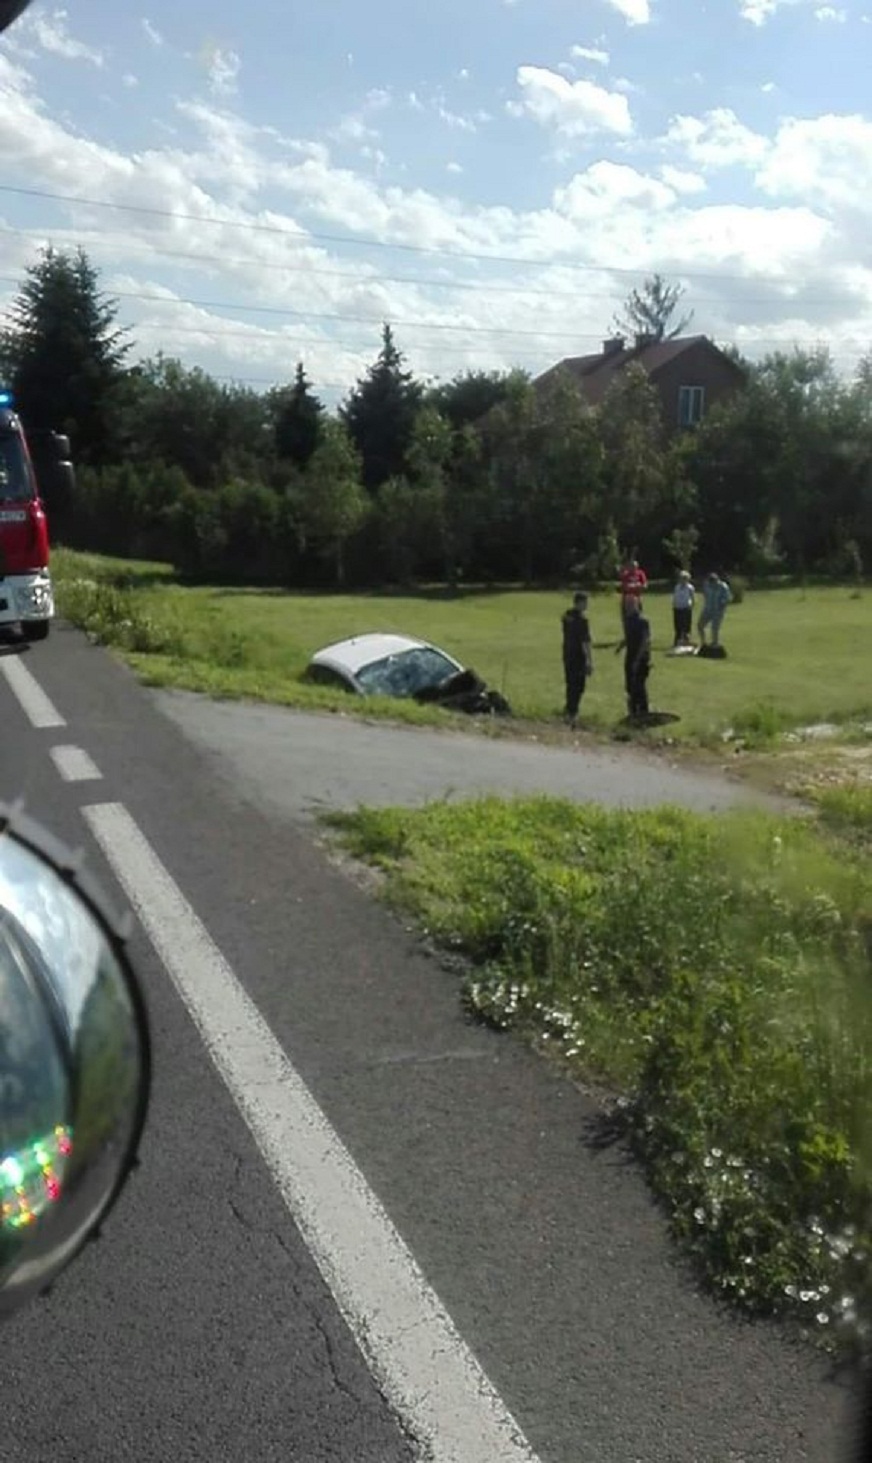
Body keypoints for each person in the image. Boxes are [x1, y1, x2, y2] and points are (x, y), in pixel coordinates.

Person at [561, 591, 592, 728]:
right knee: (579, 686)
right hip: (579, 655)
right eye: (585, 602)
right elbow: (585, 642)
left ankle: (569, 708)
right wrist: (589, 661)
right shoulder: (583, 620)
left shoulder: (567, 615)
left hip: (567, 653)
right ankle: (573, 712)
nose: (587, 604)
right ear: (579, 602)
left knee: (570, 682)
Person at [615, 599, 651, 720]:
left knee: (639, 685)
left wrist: (638, 659)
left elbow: (645, 641)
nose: (628, 608)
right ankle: (633, 710)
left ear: (637, 606)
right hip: (630, 656)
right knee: (630, 685)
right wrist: (621, 646)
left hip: (641, 658)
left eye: (631, 605)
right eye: (627, 606)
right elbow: (629, 637)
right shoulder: (628, 620)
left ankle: (643, 711)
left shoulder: (643, 621)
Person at [698, 572, 732, 649]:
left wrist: (722, 603)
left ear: (717, 580)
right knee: (700, 625)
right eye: (711, 583)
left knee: (714, 628)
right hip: (707, 609)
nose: (712, 585)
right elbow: (705, 594)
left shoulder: (723, 587)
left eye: (714, 583)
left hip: (718, 611)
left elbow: (728, 598)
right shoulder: (706, 585)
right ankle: (703, 643)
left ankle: (715, 644)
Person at [618, 556, 648, 634]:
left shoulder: (640, 573)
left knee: (638, 615)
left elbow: (644, 585)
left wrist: (634, 586)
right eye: (631, 566)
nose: (632, 568)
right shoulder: (626, 575)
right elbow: (625, 587)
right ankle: (627, 633)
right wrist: (637, 586)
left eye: (634, 566)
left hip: (637, 598)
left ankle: (638, 632)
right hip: (627, 599)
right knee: (626, 617)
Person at [672, 569, 695, 647]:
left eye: (685, 578)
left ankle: (686, 641)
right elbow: (675, 596)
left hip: (686, 608)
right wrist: (674, 604)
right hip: (677, 607)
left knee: (686, 625)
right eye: (682, 578)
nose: (683, 580)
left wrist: (691, 605)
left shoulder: (690, 587)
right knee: (678, 625)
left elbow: (692, 597)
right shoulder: (677, 587)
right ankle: (677, 641)